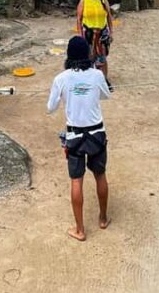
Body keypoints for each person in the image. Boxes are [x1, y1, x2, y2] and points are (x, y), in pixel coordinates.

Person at [47, 35, 112, 242]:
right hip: (96, 133)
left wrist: (66, 95)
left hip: (75, 134)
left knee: (77, 180)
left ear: (68, 55)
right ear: (88, 54)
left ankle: (80, 229)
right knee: (100, 175)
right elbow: (106, 96)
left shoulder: (61, 78)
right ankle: (102, 218)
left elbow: (51, 108)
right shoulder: (97, 75)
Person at [76, 0, 114, 90]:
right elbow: (79, 19)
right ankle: (89, 80)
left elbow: (109, 17)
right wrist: (80, 35)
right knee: (89, 57)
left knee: (102, 57)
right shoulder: (84, 0)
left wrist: (111, 32)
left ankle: (104, 80)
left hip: (102, 33)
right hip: (88, 33)